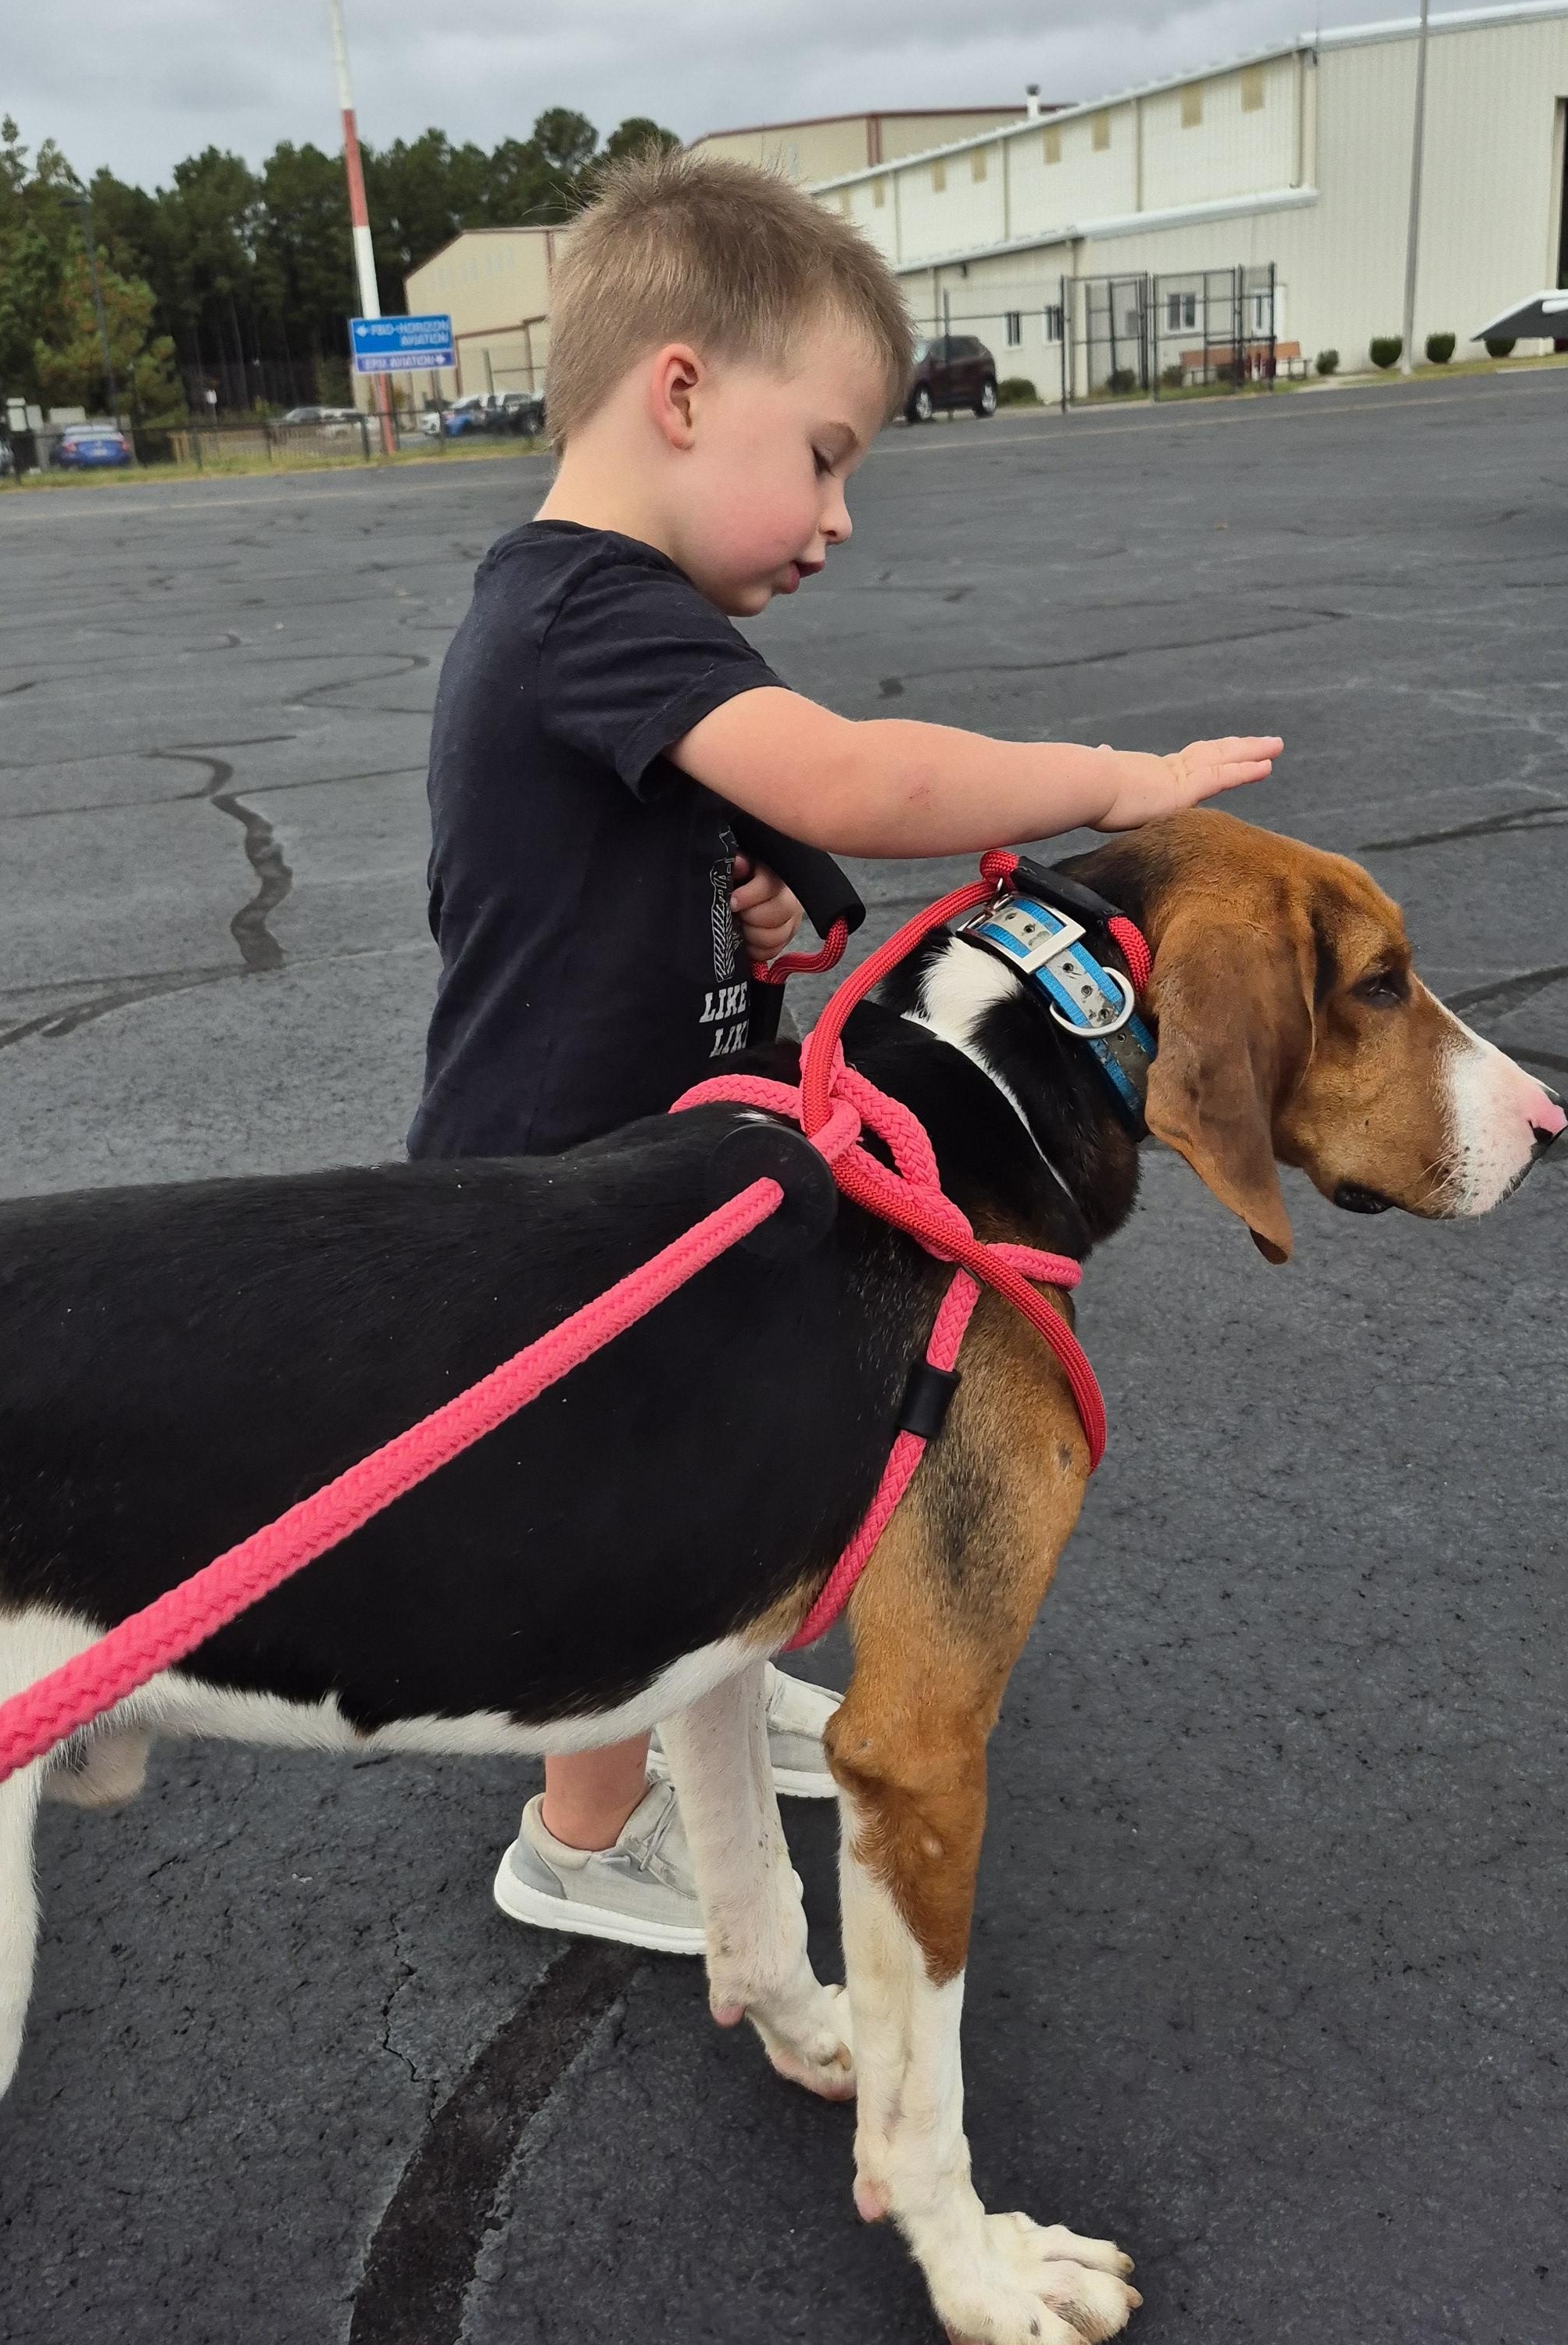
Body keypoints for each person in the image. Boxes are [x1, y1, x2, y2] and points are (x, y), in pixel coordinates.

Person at [409, 150, 1282, 1953]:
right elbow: (855, 778)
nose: (839, 517)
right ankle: (589, 1830)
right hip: (563, 1180)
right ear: (679, 389)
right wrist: (1119, 787)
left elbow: (743, 827)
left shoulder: (619, 631)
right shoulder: (581, 600)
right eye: (823, 454)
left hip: (664, 1154)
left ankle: (700, 1736)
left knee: (719, 1475)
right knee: (621, 1529)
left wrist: (782, 903)